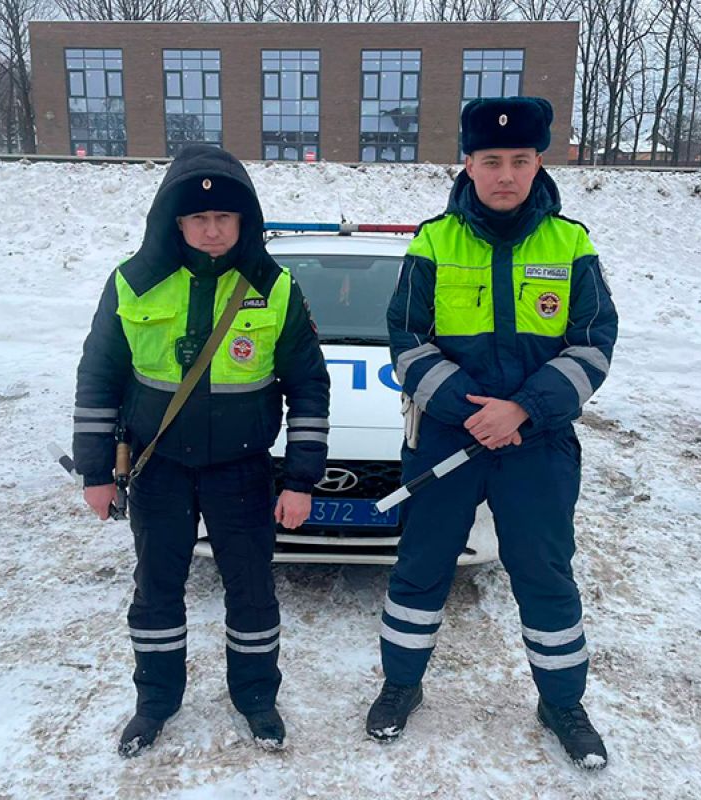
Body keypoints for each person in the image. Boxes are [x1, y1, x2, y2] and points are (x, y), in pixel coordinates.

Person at [367, 97, 618, 769]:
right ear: (468, 164)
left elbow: (593, 345)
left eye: (519, 160)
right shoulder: (431, 241)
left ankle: (560, 701)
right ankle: (400, 686)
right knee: (420, 569)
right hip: (448, 439)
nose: (505, 175)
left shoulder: (570, 242)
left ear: (538, 162)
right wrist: (466, 407)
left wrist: (522, 410)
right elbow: (404, 340)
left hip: (537, 444)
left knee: (543, 575)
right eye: (490, 161)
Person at [72, 144, 330, 757]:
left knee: (252, 591)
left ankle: (256, 698)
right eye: (197, 218)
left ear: (245, 222)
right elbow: (98, 376)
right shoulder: (132, 284)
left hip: (241, 471)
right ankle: (156, 701)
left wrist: (300, 479)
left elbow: (310, 387)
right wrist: (94, 470)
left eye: (224, 218)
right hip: (160, 468)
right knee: (156, 590)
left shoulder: (275, 287)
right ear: (175, 222)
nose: (212, 230)